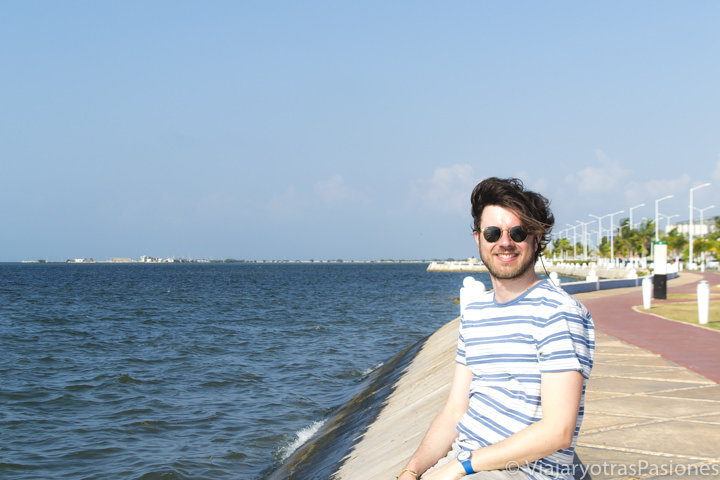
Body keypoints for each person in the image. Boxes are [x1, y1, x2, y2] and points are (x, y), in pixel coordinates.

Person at [397, 177, 595, 480]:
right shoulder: (476, 312)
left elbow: (558, 431)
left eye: (517, 232)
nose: (505, 242)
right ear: (478, 238)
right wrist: (412, 470)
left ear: (536, 238)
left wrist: (461, 467)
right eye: (492, 233)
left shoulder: (558, 313)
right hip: (468, 461)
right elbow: (454, 411)